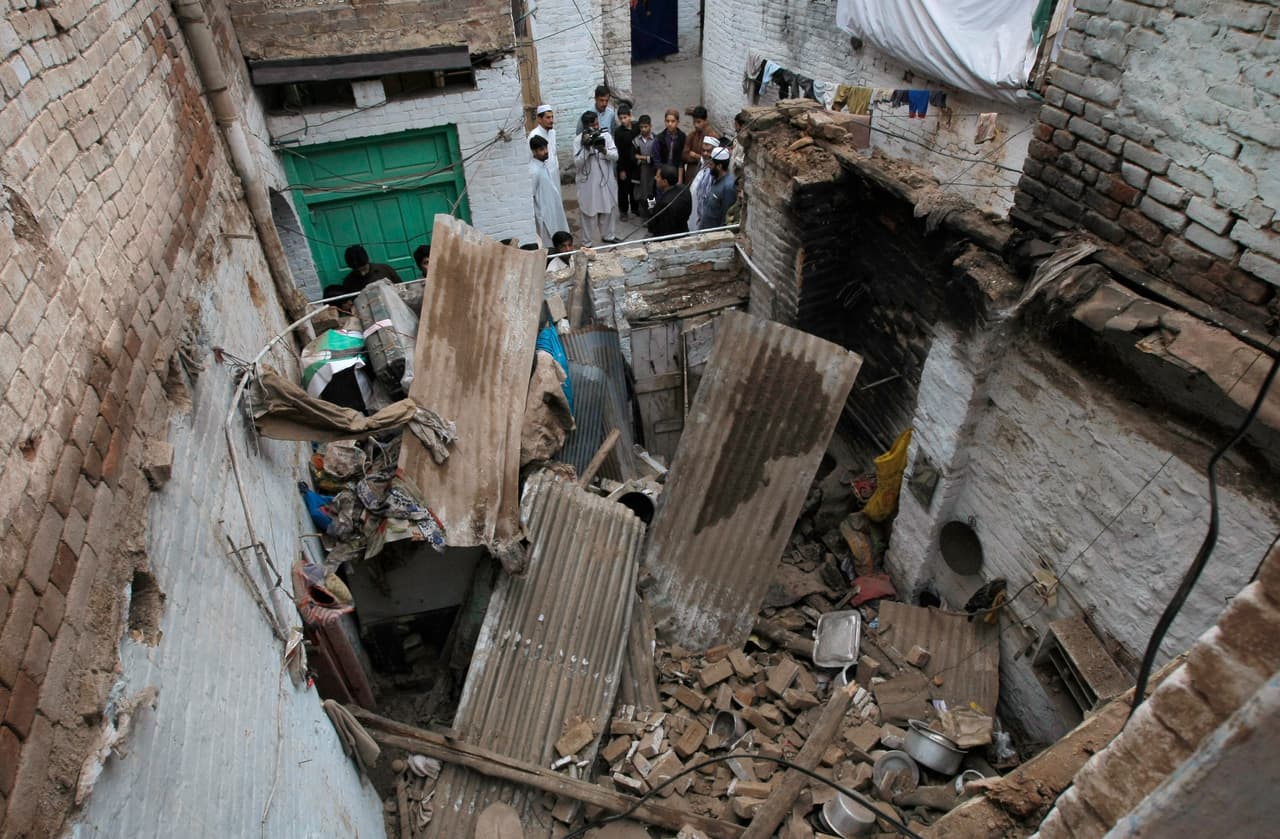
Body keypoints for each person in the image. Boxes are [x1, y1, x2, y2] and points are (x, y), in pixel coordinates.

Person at [573, 110, 620, 247]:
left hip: (606, 182)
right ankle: (587, 243)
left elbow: (615, 156)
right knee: (588, 213)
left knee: (608, 209)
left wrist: (604, 150)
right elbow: (577, 163)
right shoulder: (578, 141)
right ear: (586, 126)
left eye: (597, 123)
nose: (596, 127)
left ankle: (609, 236)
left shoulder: (605, 136)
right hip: (588, 185)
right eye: (593, 125)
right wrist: (586, 148)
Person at [529, 136, 570, 246]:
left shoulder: (542, 165)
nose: (546, 152)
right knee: (549, 243)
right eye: (541, 150)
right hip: (544, 215)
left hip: (552, 209)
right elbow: (531, 196)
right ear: (534, 151)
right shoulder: (534, 171)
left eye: (546, 148)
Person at [324, 244, 401, 299]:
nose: (362, 273)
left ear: (367, 261)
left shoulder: (385, 269)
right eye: (357, 270)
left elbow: (401, 287)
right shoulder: (348, 282)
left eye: (364, 269)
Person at [646, 165, 691, 238]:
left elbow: (657, 227)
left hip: (669, 239)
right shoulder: (684, 189)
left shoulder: (665, 204)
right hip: (684, 232)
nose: (655, 178)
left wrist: (652, 208)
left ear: (665, 182)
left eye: (658, 177)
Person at [686, 136, 719, 231]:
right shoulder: (701, 163)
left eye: (708, 151)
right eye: (703, 150)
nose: (705, 154)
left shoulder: (714, 171)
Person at [700, 146, 737, 229]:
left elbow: (726, 218)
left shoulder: (728, 187)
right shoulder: (715, 178)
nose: (709, 167)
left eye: (711, 164)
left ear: (719, 166)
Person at [613, 105, 639, 221]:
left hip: (635, 164)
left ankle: (635, 208)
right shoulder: (618, 132)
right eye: (621, 118)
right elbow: (618, 151)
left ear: (630, 116)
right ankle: (623, 211)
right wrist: (621, 169)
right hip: (623, 164)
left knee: (634, 187)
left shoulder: (637, 127)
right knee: (623, 189)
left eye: (625, 117)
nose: (623, 120)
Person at [528, 104, 560, 195]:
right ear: (539, 119)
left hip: (554, 173)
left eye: (552, 117)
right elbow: (531, 159)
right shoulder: (533, 135)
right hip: (542, 177)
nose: (551, 120)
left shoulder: (552, 133)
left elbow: (553, 153)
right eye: (548, 118)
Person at [682, 105, 718, 185]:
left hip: (705, 176)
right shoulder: (692, 135)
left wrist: (695, 156)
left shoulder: (712, 137)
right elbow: (684, 155)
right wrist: (700, 158)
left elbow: (711, 160)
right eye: (694, 122)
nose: (696, 125)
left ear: (705, 121)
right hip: (691, 174)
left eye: (698, 122)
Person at [633, 114, 658, 218]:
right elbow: (633, 157)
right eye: (641, 127)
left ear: (650, 126)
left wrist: (641, 157)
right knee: (641, 195)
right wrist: (646, 158)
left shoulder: (655, 140)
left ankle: (652, 215)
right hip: (641, 172)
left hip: (652, 172)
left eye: (645, 127)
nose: (643, 129)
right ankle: (644, 216)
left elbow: (655, 158)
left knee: (651, 194)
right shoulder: (636, 141)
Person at [655, 108, 686, 183]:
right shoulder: (660, 138)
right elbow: (657, 159)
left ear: (678, 122)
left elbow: (681, 160)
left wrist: (680, 180)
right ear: (664, 122)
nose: (670, 124)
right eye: (667, 121)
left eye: (673, 121)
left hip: (676, 173)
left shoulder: (682, 137)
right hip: (663, 173)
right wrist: (659, 176)